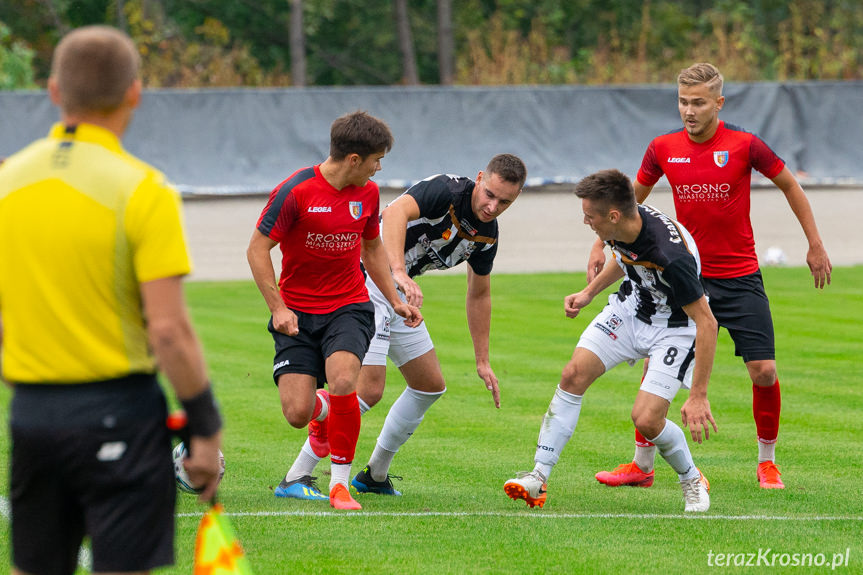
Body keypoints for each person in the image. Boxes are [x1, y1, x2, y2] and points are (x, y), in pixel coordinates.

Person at [0, 26, 223, 575]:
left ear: (54, 91)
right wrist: (204, 425)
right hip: (119, 413)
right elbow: (168, 331)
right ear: (134, 93)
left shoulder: (8, 183)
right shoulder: (143, 190)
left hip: (32, 414)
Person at [589, 63, 832, 490]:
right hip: (686, 275)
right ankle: (641, 467)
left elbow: (791, 186)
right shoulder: (662, 147)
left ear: (718, 103)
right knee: (654, 365)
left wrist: (814, 243)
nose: (689, 110)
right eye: (683, 101)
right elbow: (628, 202)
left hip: (740, 276)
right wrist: (599, 243)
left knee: (764, 371)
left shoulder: (744, 145)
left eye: (698, 102)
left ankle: (767, 462)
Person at [277, 153, 527, 499]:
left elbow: (479, 294)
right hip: (367, 282)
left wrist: (482, 361)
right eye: (490, 194)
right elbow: (393, 214)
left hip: (399, 295)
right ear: (481, 178)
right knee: (367, 390)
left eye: (505, 202)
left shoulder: (486, 236)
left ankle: (374, 475)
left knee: (429, 385)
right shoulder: (447, 189)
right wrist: (396, 272)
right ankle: (297, 476)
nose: (493, 206)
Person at [504, 169, 718, 513]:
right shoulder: (623, 225)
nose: (586, 222)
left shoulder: (671, 256)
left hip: (675, 327)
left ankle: (692, 479)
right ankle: (537, 477)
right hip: (632, 310)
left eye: (590, 216)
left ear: (613, 216)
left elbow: (707, 323)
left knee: (647, 420)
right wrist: (589, 292)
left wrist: (699, 395)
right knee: (572, 375)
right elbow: (624, 258)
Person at [246, 110, 423, 510]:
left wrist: (394, 300)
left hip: (349, 305)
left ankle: (339, 485)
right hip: (296, 314)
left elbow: (373, 248)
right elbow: (257, 249)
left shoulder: (369, 193)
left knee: (344, 381)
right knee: (297, 412)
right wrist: (278, 308)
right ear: (354, 159)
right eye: (377, 160)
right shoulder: (295, 191)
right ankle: (325, 412)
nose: (380, 169)